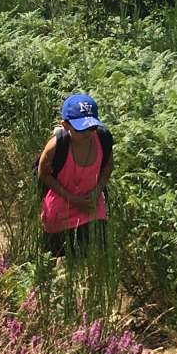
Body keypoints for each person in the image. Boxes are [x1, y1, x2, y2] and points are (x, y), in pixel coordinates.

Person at [37, 92, 112, 256]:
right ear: (66, 125)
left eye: (92, 127)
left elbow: (108, 167)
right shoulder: (56, 146)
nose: (87, 132)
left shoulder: (103, 139)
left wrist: (98, 191)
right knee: (56, 258)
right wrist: (73, 199)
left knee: (96, 255)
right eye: (81, 128)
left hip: (92, 206)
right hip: (60, 209)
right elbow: (43, 174)